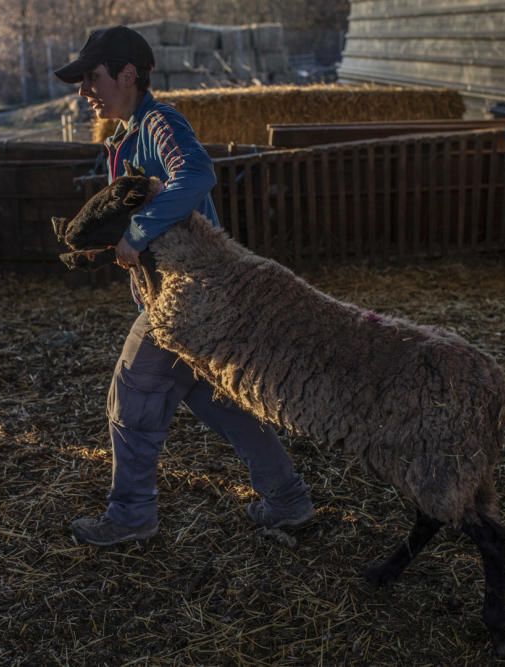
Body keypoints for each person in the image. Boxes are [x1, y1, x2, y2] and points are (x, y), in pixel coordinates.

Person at [55, 26, 313, 546]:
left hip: (187, 295)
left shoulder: (160, 122)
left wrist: (138, 232)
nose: (84, 91)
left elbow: (196, 175)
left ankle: (130, 516)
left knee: (131, 393)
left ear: (128, 74)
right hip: (189, 292)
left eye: (92, 77)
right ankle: (287, 499)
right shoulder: (130, 132)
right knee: (214, 397)